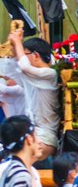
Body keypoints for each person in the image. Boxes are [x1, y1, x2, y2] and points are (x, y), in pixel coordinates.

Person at [9, 27, 59, 160]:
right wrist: (15, 44)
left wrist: (18, 42)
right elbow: (14, 68)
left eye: (25, 54)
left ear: (36, 55)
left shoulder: (50, 74)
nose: (22, 58)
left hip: (45, 137)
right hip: (30, 134)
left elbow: (24, 66)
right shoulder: (31, 76)